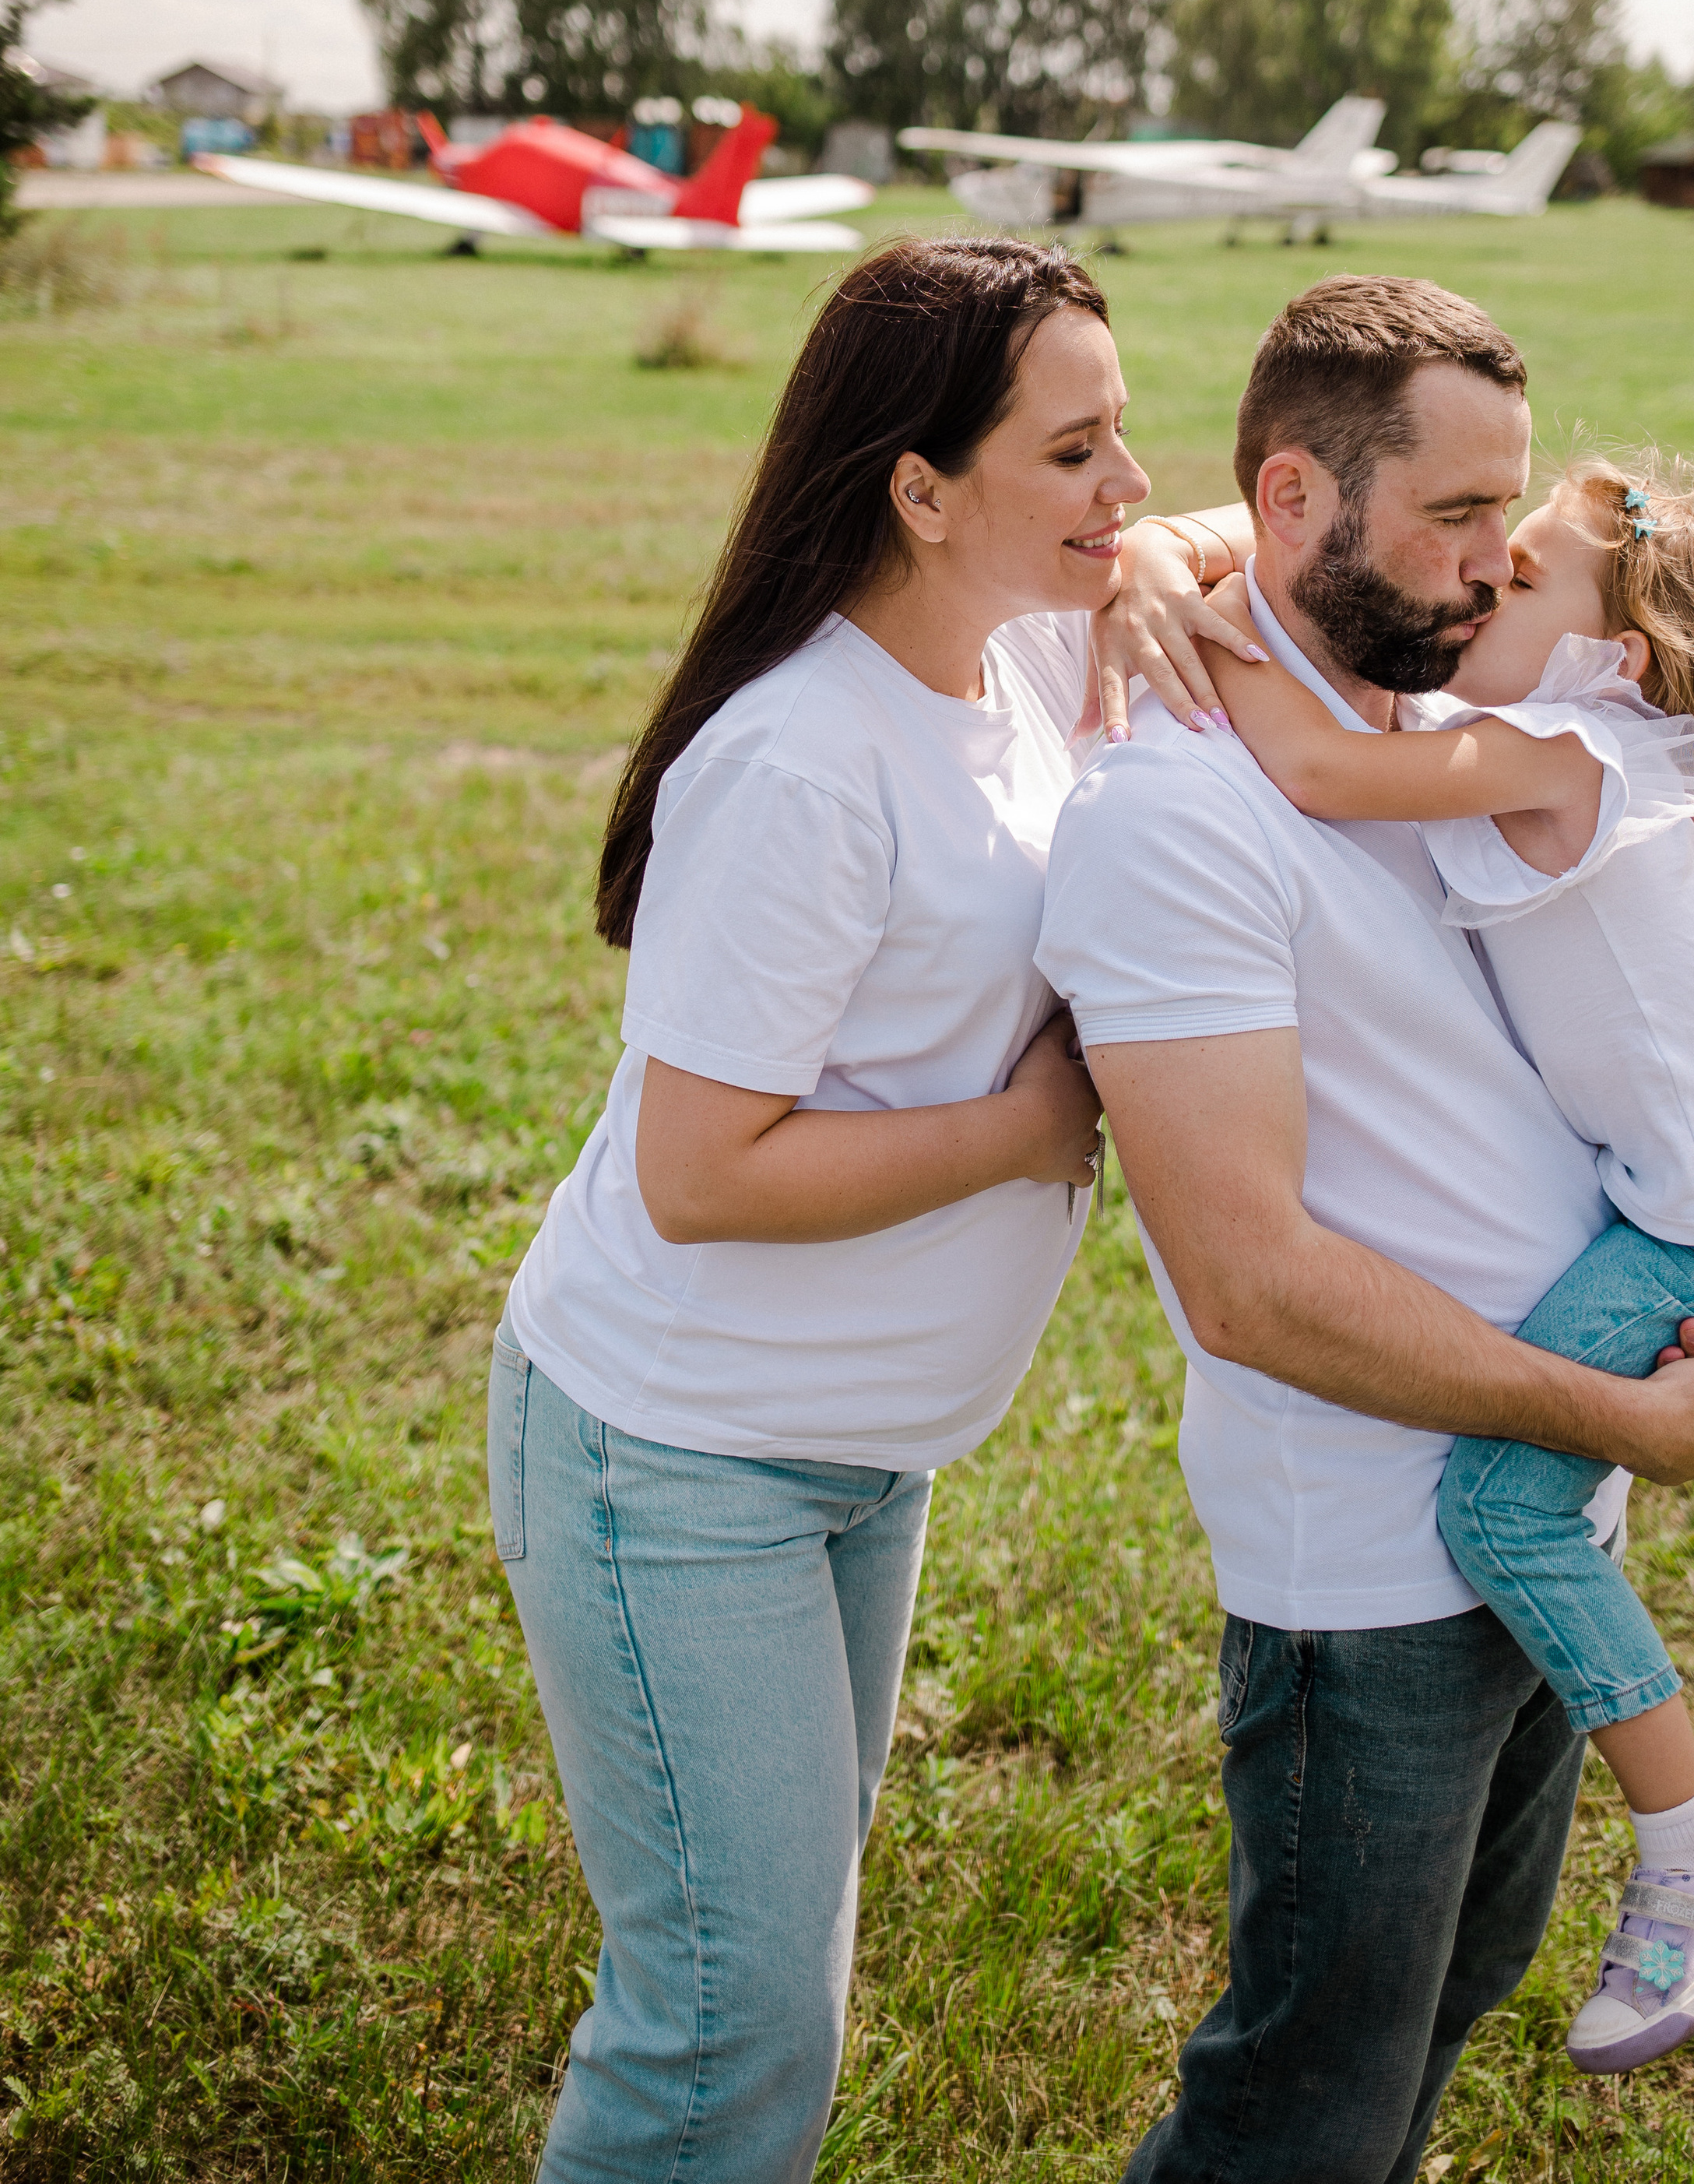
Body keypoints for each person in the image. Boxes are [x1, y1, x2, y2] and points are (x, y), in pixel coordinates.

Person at [1035, 275, 1694, 2184]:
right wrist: (1612, 1417)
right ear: (1300, 503)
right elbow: (1246, 1284)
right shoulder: (1178, 809)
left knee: (1440, 2021)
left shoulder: (1455, 711)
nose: (1489, 566)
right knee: (1301, 2107)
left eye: (1505, 517)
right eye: (1453, 523)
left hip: (1540, 1512)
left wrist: (1173, 538)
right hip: (1373, 1564)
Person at [489, 233, 1248, 2184]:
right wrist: (1028, 1128)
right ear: (919, 489)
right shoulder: (803, 765)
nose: (1126, 485)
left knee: (783, 1968)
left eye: (1123, 436)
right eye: (1076, 453)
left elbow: (1236, 535)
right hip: (683, 1457)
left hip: (855, 1460)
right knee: (722, 2030)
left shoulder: (1001, 647)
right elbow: (701, 1169)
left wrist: (1141, 553)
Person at [1206, 446, 1694, 2073]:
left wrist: (1203, 608)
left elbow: (1310, 763)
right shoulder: (1544, 733)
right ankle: (1674, 1835)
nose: (1468, 585)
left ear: (1610, 658)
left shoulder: (1575, 749)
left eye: (1506, 583)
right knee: (1526, 1500)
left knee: (1501, 1498)